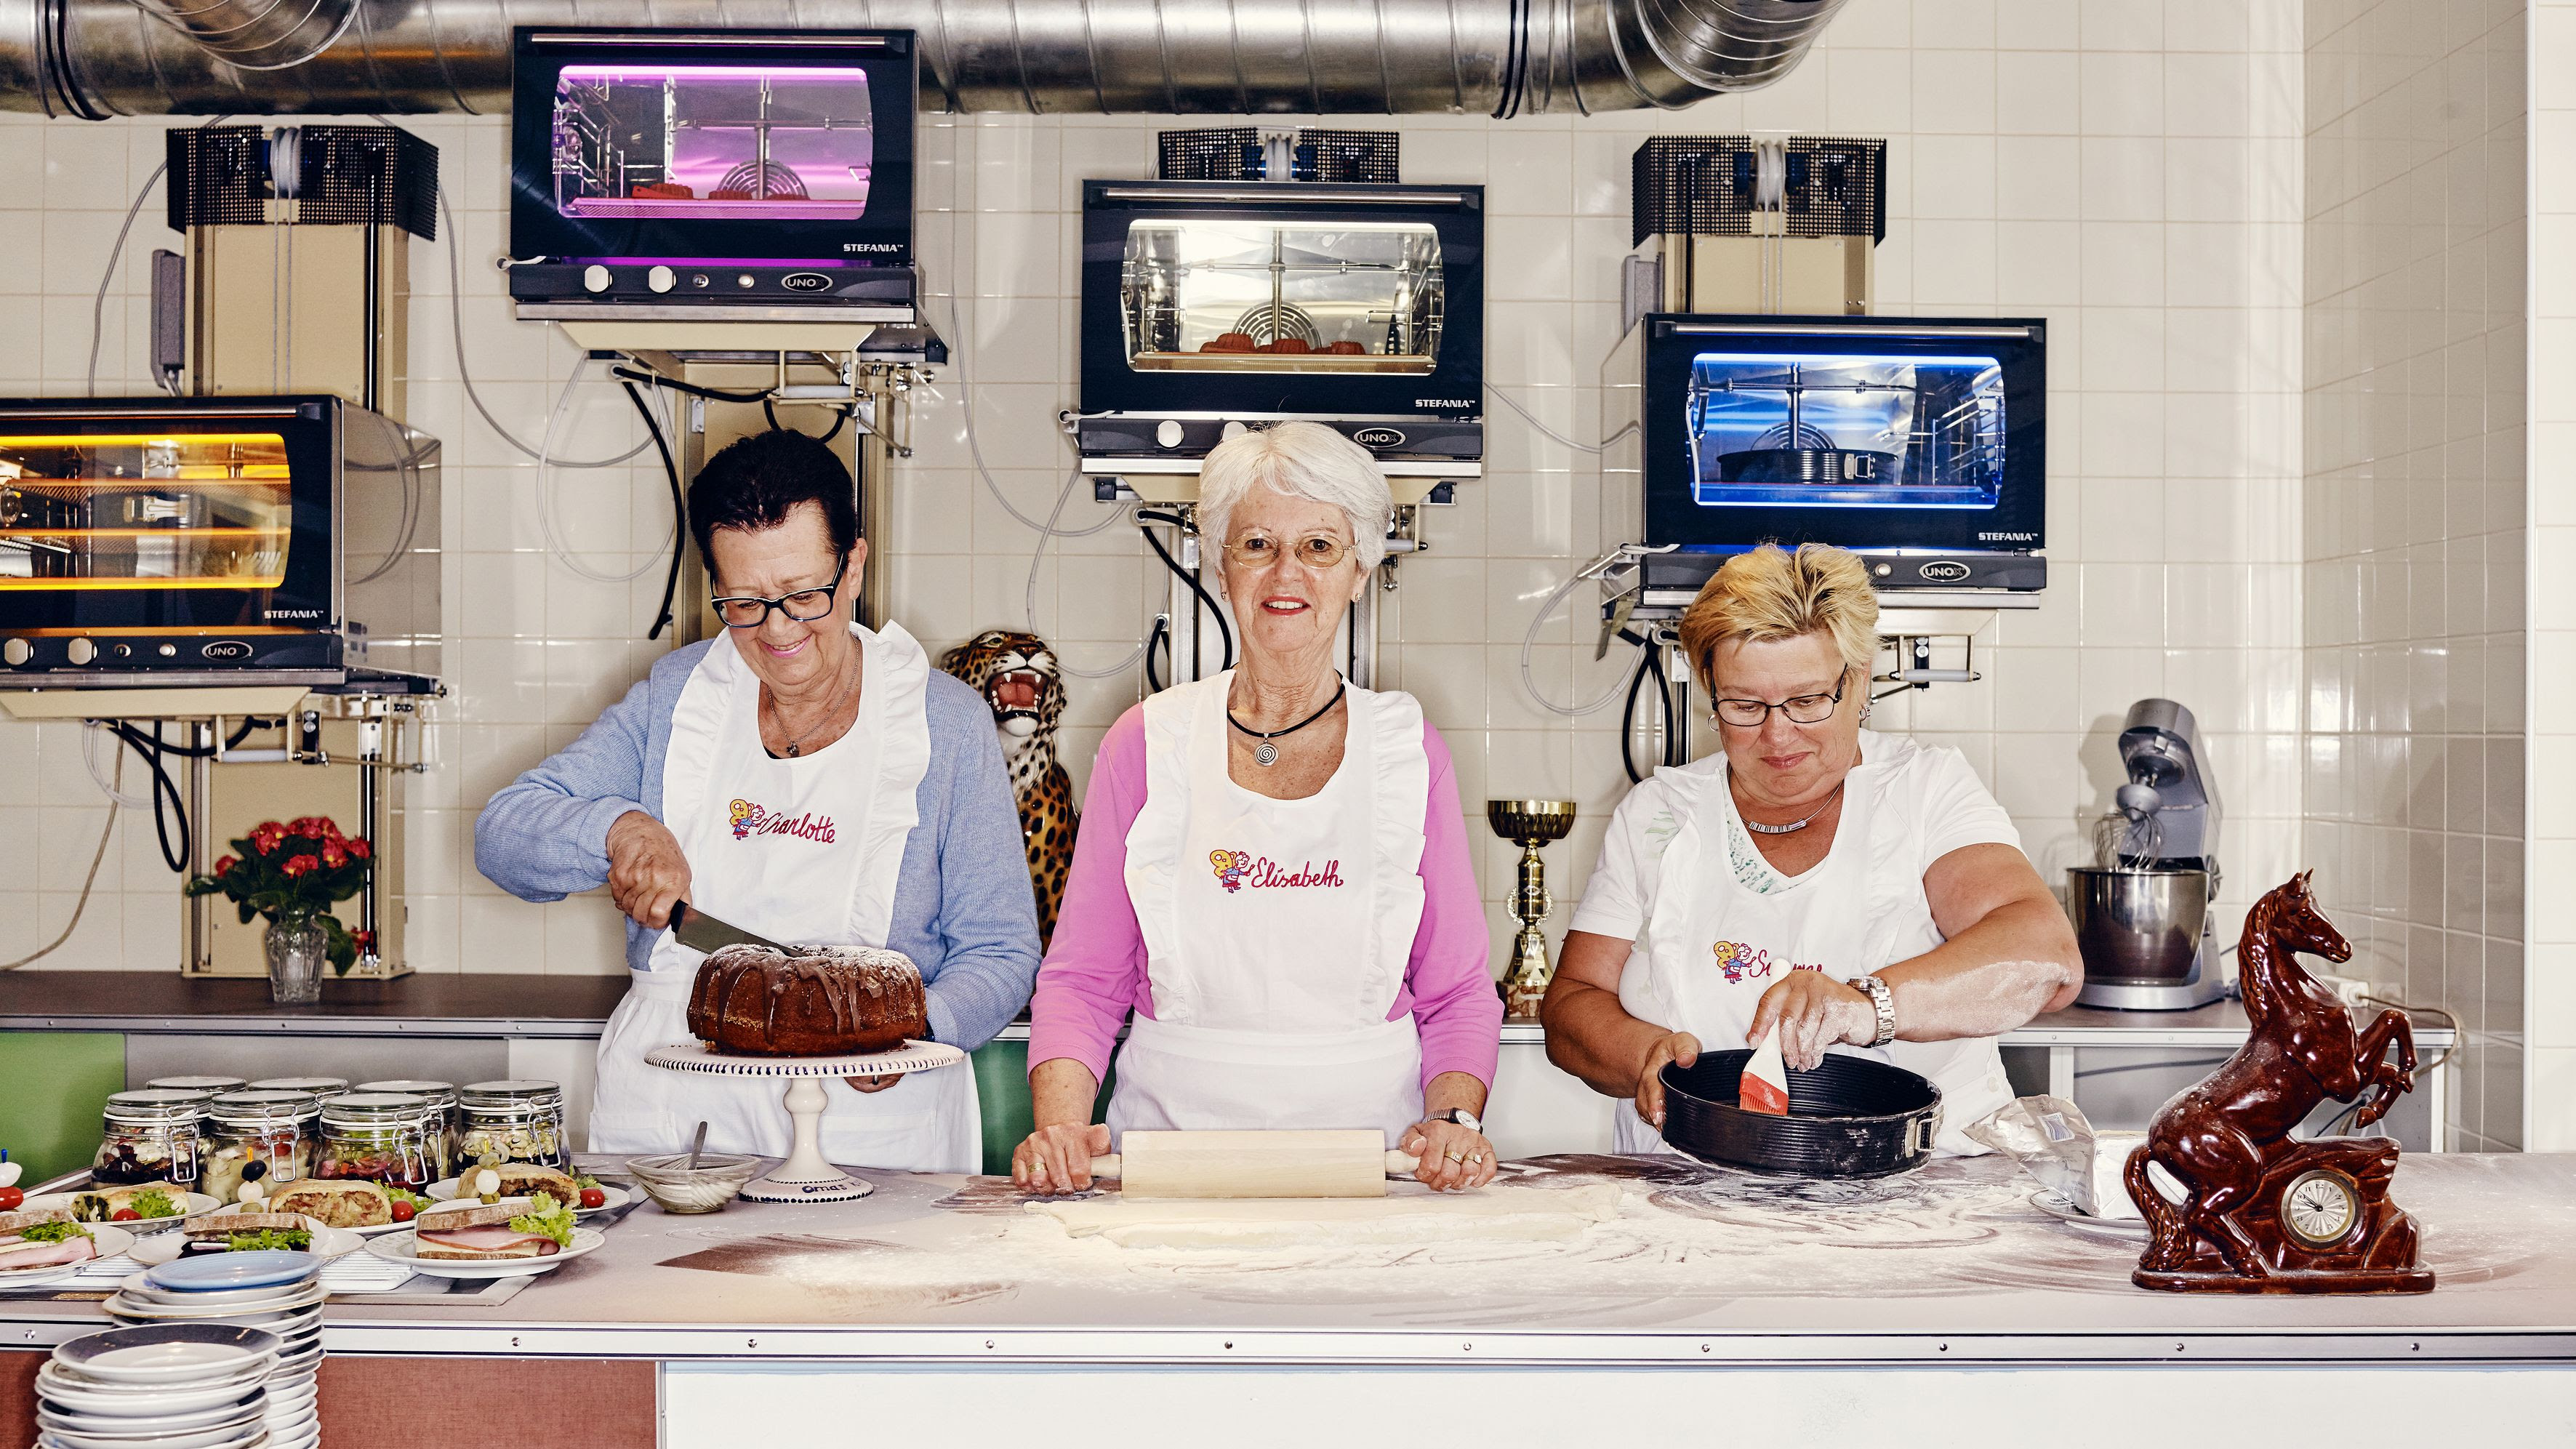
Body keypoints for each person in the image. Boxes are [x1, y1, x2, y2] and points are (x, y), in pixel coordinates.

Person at [474, 430, 1040, 1171]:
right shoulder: (680, 698)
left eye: (804, 595)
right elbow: (503, 833)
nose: (778, 629)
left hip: (870, 1117)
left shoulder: (943, 723)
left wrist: (914, 1029)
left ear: (854, 566)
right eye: (743, 602)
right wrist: (619, 828)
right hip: (676, 1108)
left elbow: (1001, 950)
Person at [1014, 422, 1504, 1194]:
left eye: (1319, 546)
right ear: (1220, 564)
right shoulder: (1145, 743)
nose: (1287, 572)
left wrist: (1452, 1121)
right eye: (1256, 545)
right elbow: (1084, 978)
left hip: (1372, 1165)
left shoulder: (1407, 750)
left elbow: (1456, 988)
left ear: (1360, 569)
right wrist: (1062, 1129)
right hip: (1171, 1160)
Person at [1539, 542, 2082, 1155]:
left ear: (1859, 680)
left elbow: (2046, 957)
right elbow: (1571, 1003)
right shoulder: (1658, 813)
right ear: (1710, 691)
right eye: (1744, 705)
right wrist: (1642, 1055)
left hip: (1923, 1187)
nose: (1777, 734)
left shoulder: (1925, 790)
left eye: (1806, 701)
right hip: (1689, 1185)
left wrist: (1867, 1005)